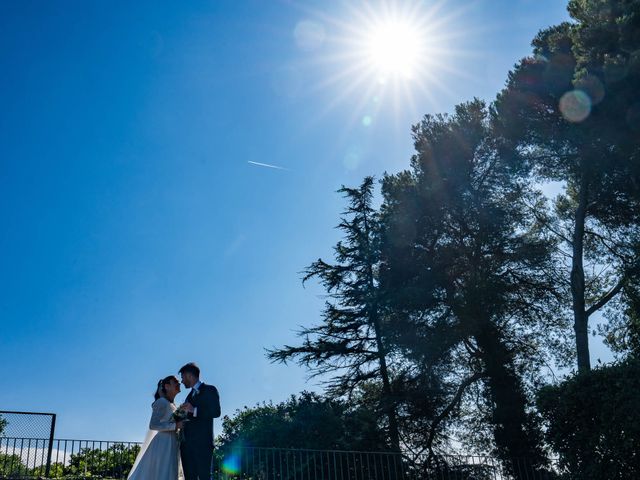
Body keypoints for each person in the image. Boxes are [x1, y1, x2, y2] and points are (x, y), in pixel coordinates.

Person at [128, 376, 184, 480]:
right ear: (167, 386)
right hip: (163, 444)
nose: (179, 383)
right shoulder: (161, 402)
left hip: (172, 441)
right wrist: (175, 426)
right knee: (163, 471)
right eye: (175, 382)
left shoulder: (172, 404)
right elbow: (153, 425)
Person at [179, 362, 221, 480]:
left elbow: (216, 412)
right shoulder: (188, 396)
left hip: (203, 444)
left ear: (189, 376)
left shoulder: (210, 390)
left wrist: (194, 410)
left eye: (182, 377)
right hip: (186, 446)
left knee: (204, 477)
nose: (182, 381)